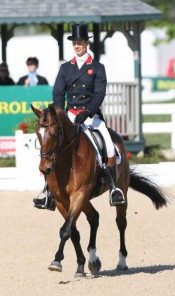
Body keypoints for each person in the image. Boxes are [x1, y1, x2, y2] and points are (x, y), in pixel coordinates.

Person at [33, 23, 125, 211]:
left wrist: (87, 112)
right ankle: (48, 191)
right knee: (54, 146)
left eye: (80, 43)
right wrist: (59, 113)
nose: (77, 46)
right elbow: (58, 92)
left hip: (91, 116)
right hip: (69, 115)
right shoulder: (66, 68)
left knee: (108, 144)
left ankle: (114, 188)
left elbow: (99, 94)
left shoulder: (97, 67)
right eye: (74, 43)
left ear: (87, 43)